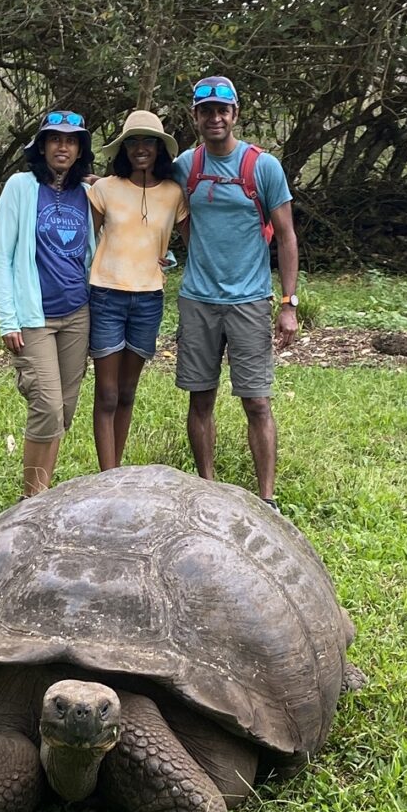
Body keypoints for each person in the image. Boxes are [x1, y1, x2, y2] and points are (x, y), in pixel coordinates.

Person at [172, 76, 299, 510]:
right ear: (195, 116)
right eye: (206, 111)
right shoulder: (186, 165)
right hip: (198, 299)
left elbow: (287, 236)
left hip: (249, 301)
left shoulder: (263, 167)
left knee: (257, 401)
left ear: (235, 114)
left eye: (222, 110)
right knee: (200, 397)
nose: (215, 118)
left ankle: (267, 498)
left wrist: (288, 303)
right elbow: (143, 188)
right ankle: (207, 489)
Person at [0, 110, 95, 497]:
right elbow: (4, 256)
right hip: (35, 317)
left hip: (78, 313)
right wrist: (8, 319)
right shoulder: (20, 187)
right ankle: (31, 496)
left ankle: (42, 493)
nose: (62, 147)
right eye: (55, 139)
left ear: (80, 149)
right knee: (47, 405)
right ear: (41, 147)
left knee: (64, 410)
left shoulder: (87, 192)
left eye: (71, 141)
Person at [88, 110, 189, 470]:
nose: (140, 148)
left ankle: (117, 470)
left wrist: (171, 256)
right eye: (133, 142)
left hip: (148, 299)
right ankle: (108, 475)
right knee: (107, 393)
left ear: (159, 148)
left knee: (127, 392)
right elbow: (84, 244)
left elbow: (190, 242)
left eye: (148, 142)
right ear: (124, 148)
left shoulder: (174, 193)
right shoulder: (104, 189)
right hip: (106, 295)